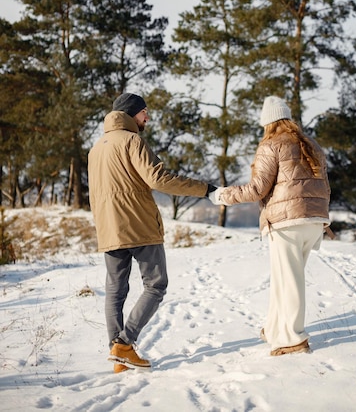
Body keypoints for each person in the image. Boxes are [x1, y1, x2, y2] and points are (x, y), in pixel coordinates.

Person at [88, 92, 216, 373]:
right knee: (156, 285)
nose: (148, 117)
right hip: (140, 227)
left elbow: (94, 194)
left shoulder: (96, 147)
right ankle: (125, 343)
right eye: (145, 112)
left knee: (115, 291)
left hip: (109, 228)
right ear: (132, 114)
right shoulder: (133, 141)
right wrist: (205, 189)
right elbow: (159, 178)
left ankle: (118, 353)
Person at [209, 96, 331, 356]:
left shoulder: (271, 145)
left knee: (289, 281)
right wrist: (320, 218)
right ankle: (275, 328)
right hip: (313, 220)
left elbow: (257, 189)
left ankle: (293, 338)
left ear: (267, 123)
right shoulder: (311, 144)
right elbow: (325, 186)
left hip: (287, 222)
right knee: (283, 279)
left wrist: (222, 196)